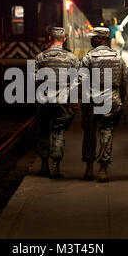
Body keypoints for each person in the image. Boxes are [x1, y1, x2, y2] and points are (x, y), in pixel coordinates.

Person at [80, 27, 128, 182]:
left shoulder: (88, 57)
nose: (91, 39)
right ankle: (103, 170)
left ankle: (89, 170)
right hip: (111, 98)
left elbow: (81, 81)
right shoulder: (117, 57)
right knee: (106, 131)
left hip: (92, 100)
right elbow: (123, 81)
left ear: (102, 39)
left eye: (94, 37)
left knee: (89, 133)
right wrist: (122, 98)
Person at [35, 27, 79, 179]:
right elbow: (76, 81)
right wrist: (73, 102)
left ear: (49, 38)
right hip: (62, 101)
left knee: (43, 131)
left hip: (44, 100)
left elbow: (34, 80)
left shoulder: (40, 57)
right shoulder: (71, 58)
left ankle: (44, 165)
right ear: (64, 39)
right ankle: (56, 167)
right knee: (58, 131)